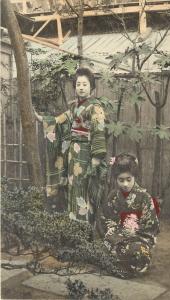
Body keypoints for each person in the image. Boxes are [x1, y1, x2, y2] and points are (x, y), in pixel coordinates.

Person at [34, 67, 108, 224]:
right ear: (75, 87)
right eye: (78, 84)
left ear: (92, 87)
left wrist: (96, 159)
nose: (81, 87)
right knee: (73, 188)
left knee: (85, 189)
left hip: (87, 154)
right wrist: (42, 119)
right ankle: (74, 226)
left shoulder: (95, 107)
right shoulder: (74, 107)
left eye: (85, 84)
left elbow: (99, 132)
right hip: (73, 155)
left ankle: (85, 229)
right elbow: (59, 119)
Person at [101, 153, 160, 277]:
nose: (125, 184)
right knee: (103, 247)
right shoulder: (113, 196)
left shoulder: (144, 197)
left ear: (135, 177)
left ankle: (123, 264)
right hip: (118, 237)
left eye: (129, 179)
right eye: (121, 180)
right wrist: (113, 230)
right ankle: (119, 263)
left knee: (136, 252)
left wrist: (133, 233)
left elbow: (151, 228)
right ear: (115, 179)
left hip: (139, 238)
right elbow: (107, 219)